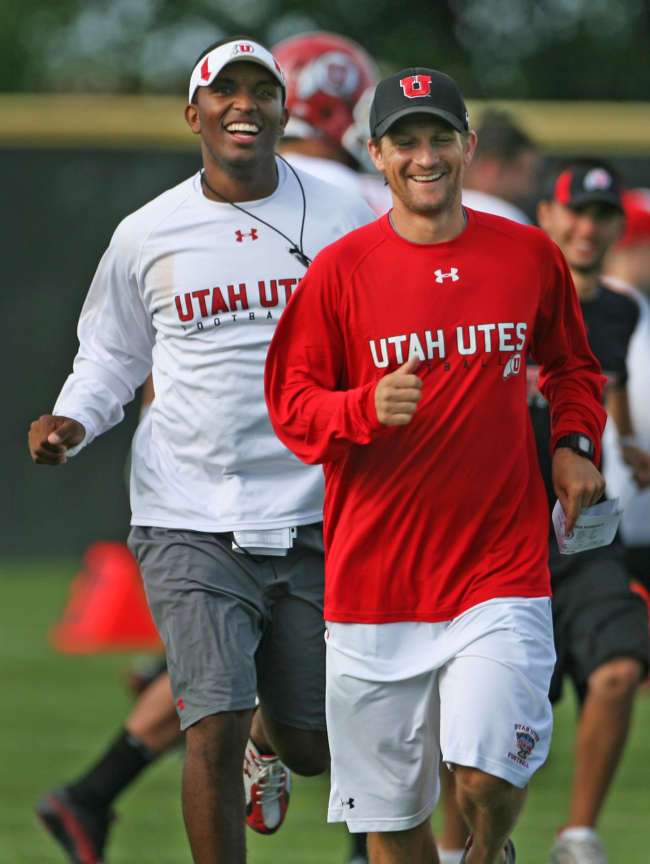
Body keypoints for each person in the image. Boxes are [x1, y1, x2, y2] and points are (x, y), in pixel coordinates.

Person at [28, 35, 373, 864]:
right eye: (226, 91)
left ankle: (272, 739)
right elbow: (112, 354)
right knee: (209, 719)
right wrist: (72, 420)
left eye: (263, 90)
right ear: (195, 113)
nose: (244, 105)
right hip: (189, 511)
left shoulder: (346, 216)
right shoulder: (150, 231)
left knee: (314, 745)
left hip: (314, 508)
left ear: (285, 111)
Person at [265, 67, 607, 864]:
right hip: (374, 586)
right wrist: (360, 409)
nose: (426, 155)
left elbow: (572, 367)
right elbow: (291, 404)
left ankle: (490, 849)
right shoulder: (340, 273)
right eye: (406, 141)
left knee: (486, 776)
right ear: (378, 156)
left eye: (440, 137)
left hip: (500, 571)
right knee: (392, 828)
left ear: (469, 147)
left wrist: (573, 442)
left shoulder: (526, 254)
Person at [535, 160, 650, 864]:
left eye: (602, 215)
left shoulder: (618, 305)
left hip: (587, 528)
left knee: (618, 666)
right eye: (574, 211)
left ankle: (578, 836)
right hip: (504, 534)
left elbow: (608, 386)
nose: (587, 227)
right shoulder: (508, 292)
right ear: (545, 216)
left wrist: (631, 441)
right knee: (491, 726)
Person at [462, 108, 537, 224]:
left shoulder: (435, 210)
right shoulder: (508, 219)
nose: (527, 187)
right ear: (491, 168)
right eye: (521, 171)